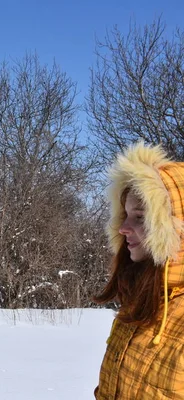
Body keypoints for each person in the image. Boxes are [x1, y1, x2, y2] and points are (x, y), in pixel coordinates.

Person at [94, 142, 184, 399]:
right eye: (124, 215)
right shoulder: (138, 302)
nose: (123, 228)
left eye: (140, 217)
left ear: (176, 228)